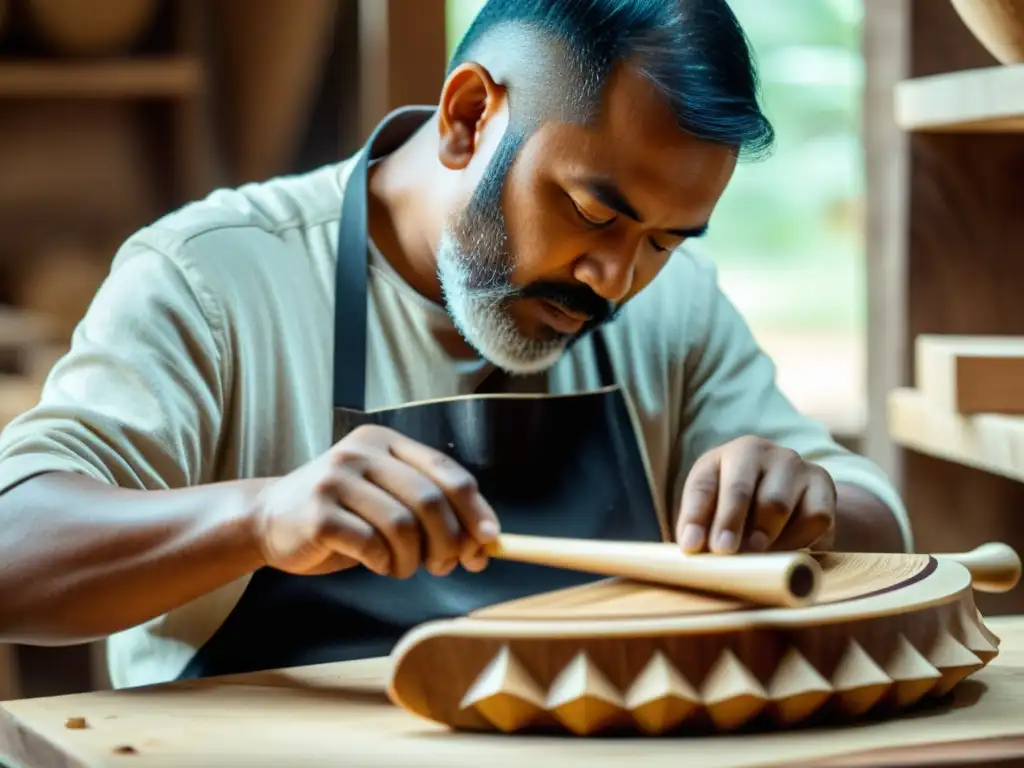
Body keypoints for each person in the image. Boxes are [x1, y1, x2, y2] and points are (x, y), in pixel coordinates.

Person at [0, 0, 911, 690]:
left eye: (666, 241)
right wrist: (261, 518)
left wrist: (813, 504)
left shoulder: (675, 312)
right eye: (593, 211)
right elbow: (12, 548)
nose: (617, 279)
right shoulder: (212, 276)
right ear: (468, 116)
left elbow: (880, 521)